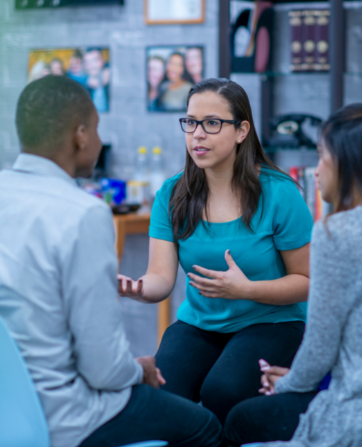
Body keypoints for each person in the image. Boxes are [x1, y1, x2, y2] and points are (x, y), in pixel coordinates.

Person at [0, 75, 222, 447]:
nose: (100, 142)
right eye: (98, 130)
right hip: (56, 415)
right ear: (81, 134)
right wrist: (137, 369)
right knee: (205, 427)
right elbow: (102, 369)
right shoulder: (83, 213)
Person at [223, 102, 362, 447]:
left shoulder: (337, 233)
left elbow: (319, 347)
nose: (317, 169)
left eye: (322, 155)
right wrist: (298, 379)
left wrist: (287, 383)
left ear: (346, 164)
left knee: (240, 417)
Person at [118, 78, 312, 423]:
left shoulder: (280, 193)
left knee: (225, 390)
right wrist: (137, 290)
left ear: (241, 131)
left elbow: (307, 280)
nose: (197, 134)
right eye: (190, 122)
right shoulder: (171, 194)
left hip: (272, 321)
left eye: (212, 123)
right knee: (160, 392)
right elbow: (161, 278)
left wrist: (246, 290)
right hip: (202, 323)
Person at [83, 48, 109, 113]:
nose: (92, 65)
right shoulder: (84, 87)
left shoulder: (112, 81)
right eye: (88, 62)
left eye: (95, 60)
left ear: (102, 61)